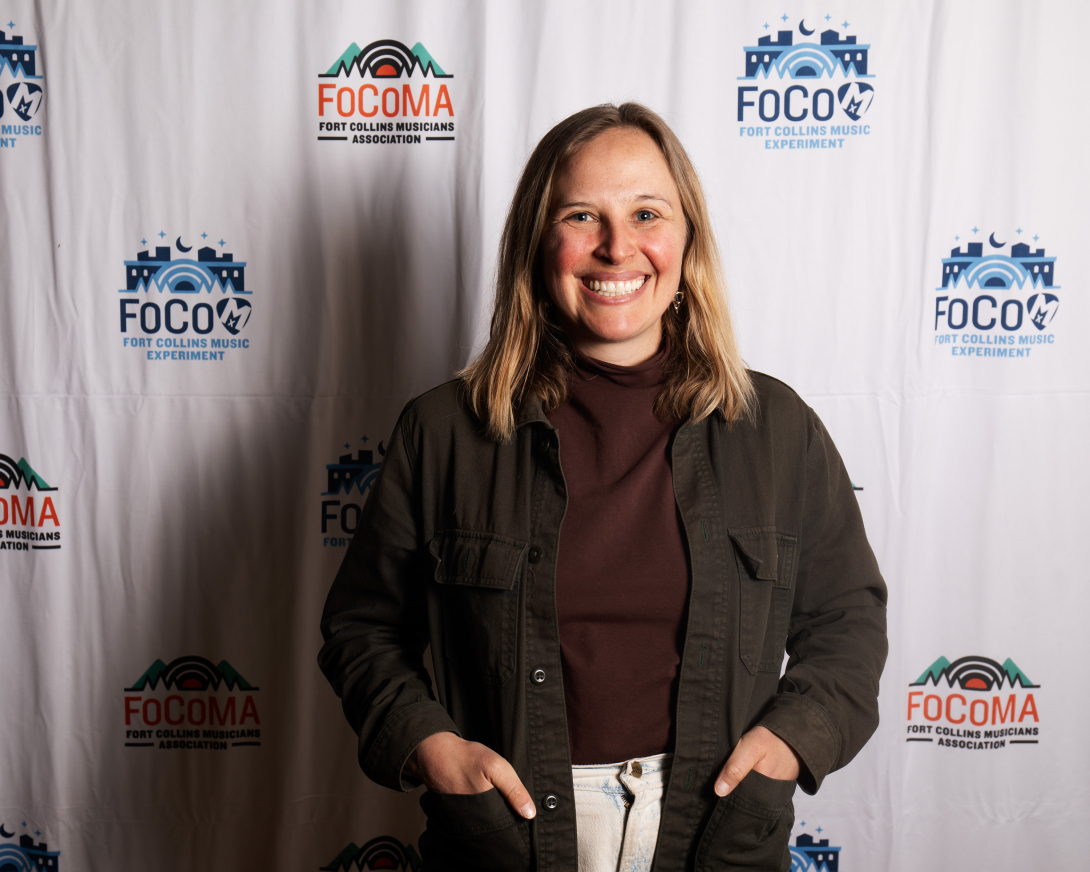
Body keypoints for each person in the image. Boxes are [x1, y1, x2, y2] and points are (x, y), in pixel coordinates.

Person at [318, 102, 887, 872]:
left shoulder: (776, 428)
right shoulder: (444, 431)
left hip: (715, 838)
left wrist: (790, 743)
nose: (618, 247)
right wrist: (432, 748)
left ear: (686, 241)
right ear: (538, 242)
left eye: (647, 213)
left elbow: (848, 622)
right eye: (583, 215)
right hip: (508, 843)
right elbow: (363, 630)